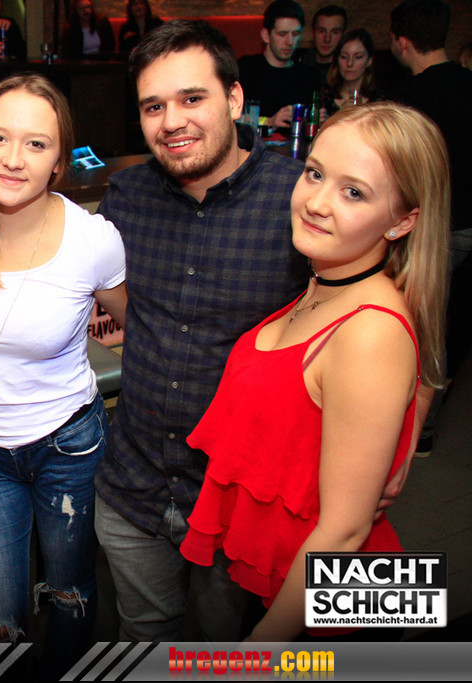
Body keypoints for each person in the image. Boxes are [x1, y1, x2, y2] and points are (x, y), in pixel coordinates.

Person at [181, 102, 449, 642]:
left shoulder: (369, 330)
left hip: (339, 605)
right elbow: (418, 372)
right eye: (315, 173)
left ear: (402, 221)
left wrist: (256, 658)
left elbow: (346, 533)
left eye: (354, 193)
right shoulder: (329, 281)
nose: (317, 203)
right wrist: (400, 435)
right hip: (286, 580)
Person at [93, 19, 310, 643]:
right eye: (153, 106)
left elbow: (369, 321)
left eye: (192, 98)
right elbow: (125, 307)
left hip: (240, 500)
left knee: (232, 648)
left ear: (235, 98)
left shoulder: (299, 198)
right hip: (133, 487)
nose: (172, 121)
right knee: (143, 636)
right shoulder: (126, 196)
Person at [0, 74, 126, 677]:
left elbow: (135, 330)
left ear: (59, 161)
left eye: (36, 144)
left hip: (70, 444)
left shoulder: (93, 241)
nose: (13, 159)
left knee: (70, 591)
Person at [387, 0, 472, 424]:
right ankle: (424, 428)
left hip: (426, 229)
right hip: (468, 226)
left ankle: (404, 423)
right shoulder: (469, 84)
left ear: (402, 42)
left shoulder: (407, 99)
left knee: (412, 323)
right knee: (441, 322)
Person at [237, 0, 321, 129]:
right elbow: (228, 116)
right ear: (266, 35)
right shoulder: (246, 69)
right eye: (282, 34)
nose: (290, 42)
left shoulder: (309, 76)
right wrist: (269, 121)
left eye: (295, 34)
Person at [322, 28, 379, 117]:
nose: (349, 63)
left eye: (358, 57)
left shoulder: (379, 103)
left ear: (369, 61)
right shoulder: (323, 99)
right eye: (344, 57)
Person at [300, 5, 347, 87]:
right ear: (312, 33)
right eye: (321, 31)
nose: (327, 39)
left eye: (335, 32)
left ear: (344, 35)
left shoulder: (348, 71)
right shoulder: (299, 65)